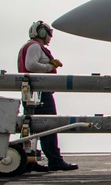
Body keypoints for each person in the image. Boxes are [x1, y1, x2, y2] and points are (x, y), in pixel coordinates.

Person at [17, 21, 77, 171]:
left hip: (31, 92)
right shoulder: (35, 46)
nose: (50, 37)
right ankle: (54, 160)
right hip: (40, 92)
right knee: (48, 125)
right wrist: (51, 66)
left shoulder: (28, 46)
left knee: (33, 127)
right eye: (49, 33)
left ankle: (29, 161)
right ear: (42, 33)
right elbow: (31, 65)